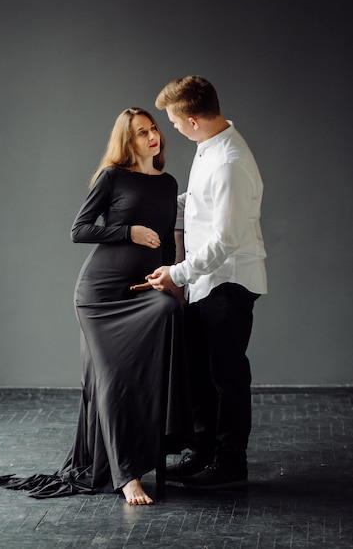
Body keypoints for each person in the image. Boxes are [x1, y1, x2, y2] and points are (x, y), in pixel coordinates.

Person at [0, 107, 191, 505]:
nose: (152, 137)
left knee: (171, 318)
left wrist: (173, 279)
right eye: (141, 133)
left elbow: (170, 243)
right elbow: (79, 229)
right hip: (100, 295)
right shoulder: (112, 177)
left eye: (154, 129)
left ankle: (164, 444)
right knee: (113, 382)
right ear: (127, 141)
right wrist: (127, 231)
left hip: (142, 291)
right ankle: (126, 475)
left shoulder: (168, 184)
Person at [146, 76, 267, 489]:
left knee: (227, 375)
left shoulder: (230, 161)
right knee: (199, 369)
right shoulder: (208, 147)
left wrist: (176, 273)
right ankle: (203, 452)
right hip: (206, 281)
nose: (173, 129)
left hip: (228, 283)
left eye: (175, 122)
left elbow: (226, 239)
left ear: (193, 119)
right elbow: (197, 202)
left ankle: (231, 463)